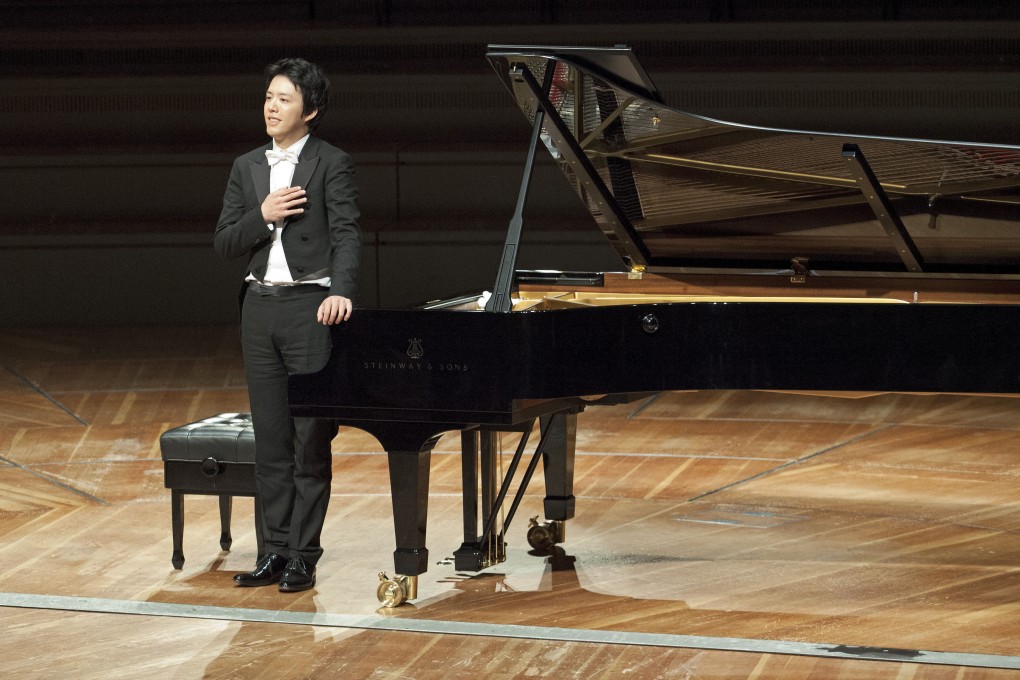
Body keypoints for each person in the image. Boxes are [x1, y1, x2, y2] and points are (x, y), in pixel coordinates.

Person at [213, 57, 360, 592]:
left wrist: (341, 290)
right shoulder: (246, 166)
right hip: (259, 309)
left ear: (311, 110)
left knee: (309, 439)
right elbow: (226, 241)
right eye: (269, 96)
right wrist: (265, 214)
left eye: (285, 99)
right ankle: (273, 550)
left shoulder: (331, 163)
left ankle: (303, 554)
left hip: (309, 310)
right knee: (270, 441)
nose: (272, 107)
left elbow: (346, 233)